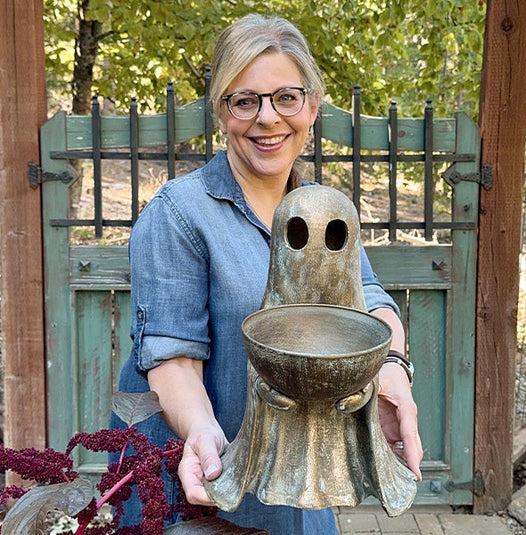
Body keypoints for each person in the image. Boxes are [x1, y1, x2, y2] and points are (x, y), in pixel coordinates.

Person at [110, 13, 423, 534]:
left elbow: (369, 298)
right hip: (199, 481)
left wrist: (391, 366)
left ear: (312, 107)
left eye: (286, 97)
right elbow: (171, 358)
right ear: (222, 111)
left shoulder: (319, 210)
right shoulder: (180, 214)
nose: (268, 118)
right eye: (245, 100)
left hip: (301, 477)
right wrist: (203, 433)